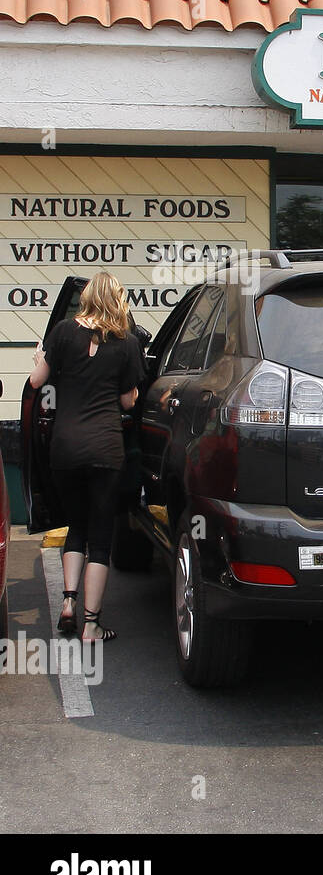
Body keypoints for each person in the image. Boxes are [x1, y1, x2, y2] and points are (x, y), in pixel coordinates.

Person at [28, 272, 144, 641]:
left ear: (87, 297)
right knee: (101, 535)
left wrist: (38, 358)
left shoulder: (62, 332)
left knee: (75, 527)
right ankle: (91, 624)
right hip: (105, 448)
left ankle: (67, 602)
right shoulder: (126, 344)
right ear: (118, 301)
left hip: (65, 447)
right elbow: (128, 401)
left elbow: (36, 382)